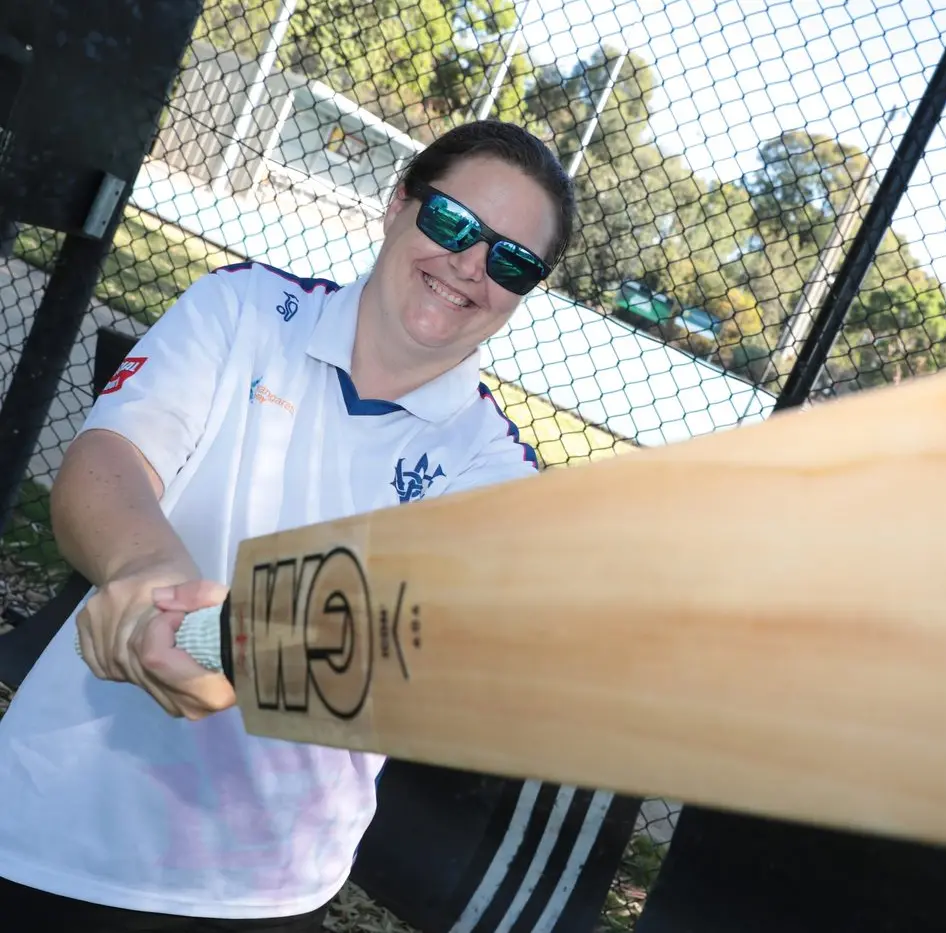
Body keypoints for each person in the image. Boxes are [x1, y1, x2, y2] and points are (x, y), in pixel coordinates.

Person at [0, 118, 575, 930]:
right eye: (453, 222)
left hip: (257, 890)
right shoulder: (243, 308)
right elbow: (109, 462)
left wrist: (211, 639)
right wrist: (142, 573)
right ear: (398, 202)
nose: (472, 267)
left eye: (513, 261)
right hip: (45, 817)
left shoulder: (498, 471)